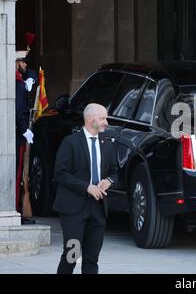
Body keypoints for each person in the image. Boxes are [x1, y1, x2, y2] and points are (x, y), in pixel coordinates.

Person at [53, 103, 118, 274]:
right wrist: (86, 187)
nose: (106, 122)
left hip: (97, 208)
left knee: (91, 258)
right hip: (73, 208)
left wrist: (108, 181)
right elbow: (60, 174)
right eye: (103, 118)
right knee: (72, 255)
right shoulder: (70, 142)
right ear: (91, 119)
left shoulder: (107, 143)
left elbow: (115, 172)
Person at [15, 52, 35, 225]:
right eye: (22, 62)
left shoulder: (19, 81)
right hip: (17, 135)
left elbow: (32, 74)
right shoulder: (19, 85)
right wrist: (24, 131)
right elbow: (18, 110)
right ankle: (15, 210)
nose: (25, 65)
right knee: (18, 173)